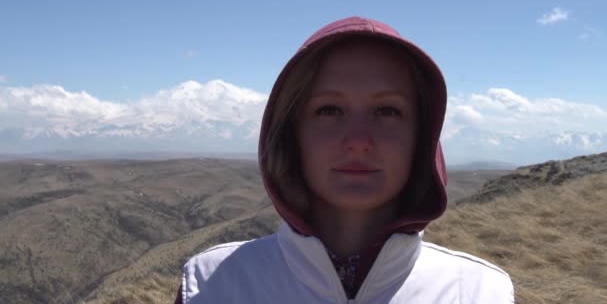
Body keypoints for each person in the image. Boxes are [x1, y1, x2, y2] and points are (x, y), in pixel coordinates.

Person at [174, 17, 514, 303]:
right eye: (329, 110)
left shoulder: (479, 292)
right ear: (292, 133)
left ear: (421, 138)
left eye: (387, 111)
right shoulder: (211, 285)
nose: (358, 142)